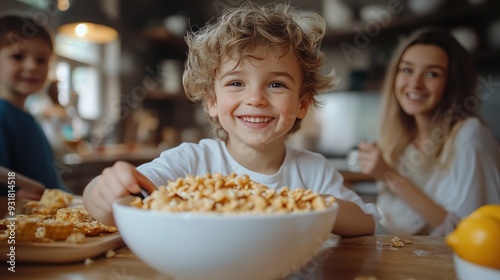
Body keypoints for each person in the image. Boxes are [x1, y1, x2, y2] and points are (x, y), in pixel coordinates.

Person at [83, 2, 380, 236]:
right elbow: (111, 204)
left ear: (302, 104)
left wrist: (303, 203)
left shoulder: (313, 172)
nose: (255, 99)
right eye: (236, 83)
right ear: (212, 101)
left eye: (276, 84)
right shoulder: (190, 162)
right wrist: (102, 192)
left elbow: (366, 223)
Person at [357, 27, 500, 236]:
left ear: (452, 84)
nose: (415, 84)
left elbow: (463, 233)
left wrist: (388, 175)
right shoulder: (399, 144)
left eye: (432, 74)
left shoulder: (469, 135)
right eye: (407, 70)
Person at [0, 14, 67, 200]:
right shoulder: (2, 115)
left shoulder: (28, 117)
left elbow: (50, 183)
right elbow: (5, 186)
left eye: (41, 60)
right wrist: (15, 198)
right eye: (18, 56)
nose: (31, 66)